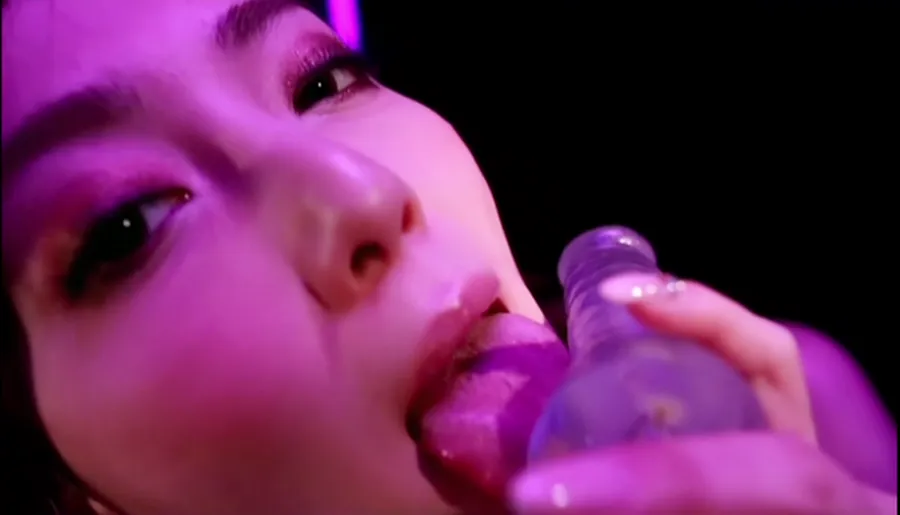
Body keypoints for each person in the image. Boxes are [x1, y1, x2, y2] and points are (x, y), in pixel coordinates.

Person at [1, 1, 896, 514]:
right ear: (80, 493)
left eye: (320, 82)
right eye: (127, 225)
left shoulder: (815, 408)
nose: (364, 194)